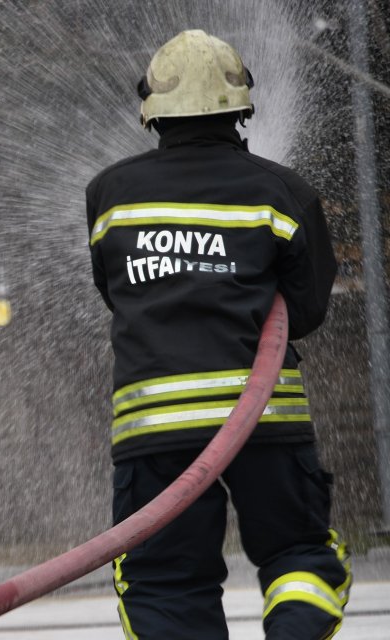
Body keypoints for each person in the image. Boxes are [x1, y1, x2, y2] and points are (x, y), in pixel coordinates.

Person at [85, 29, 350, 639]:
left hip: (155, 427)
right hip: (264, 421)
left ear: (152, 107)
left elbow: (117, 293)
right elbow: (306, 310)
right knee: (299, 558)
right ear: (241, 105)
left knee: (164, 582)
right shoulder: (284, 191)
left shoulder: (108, 195)